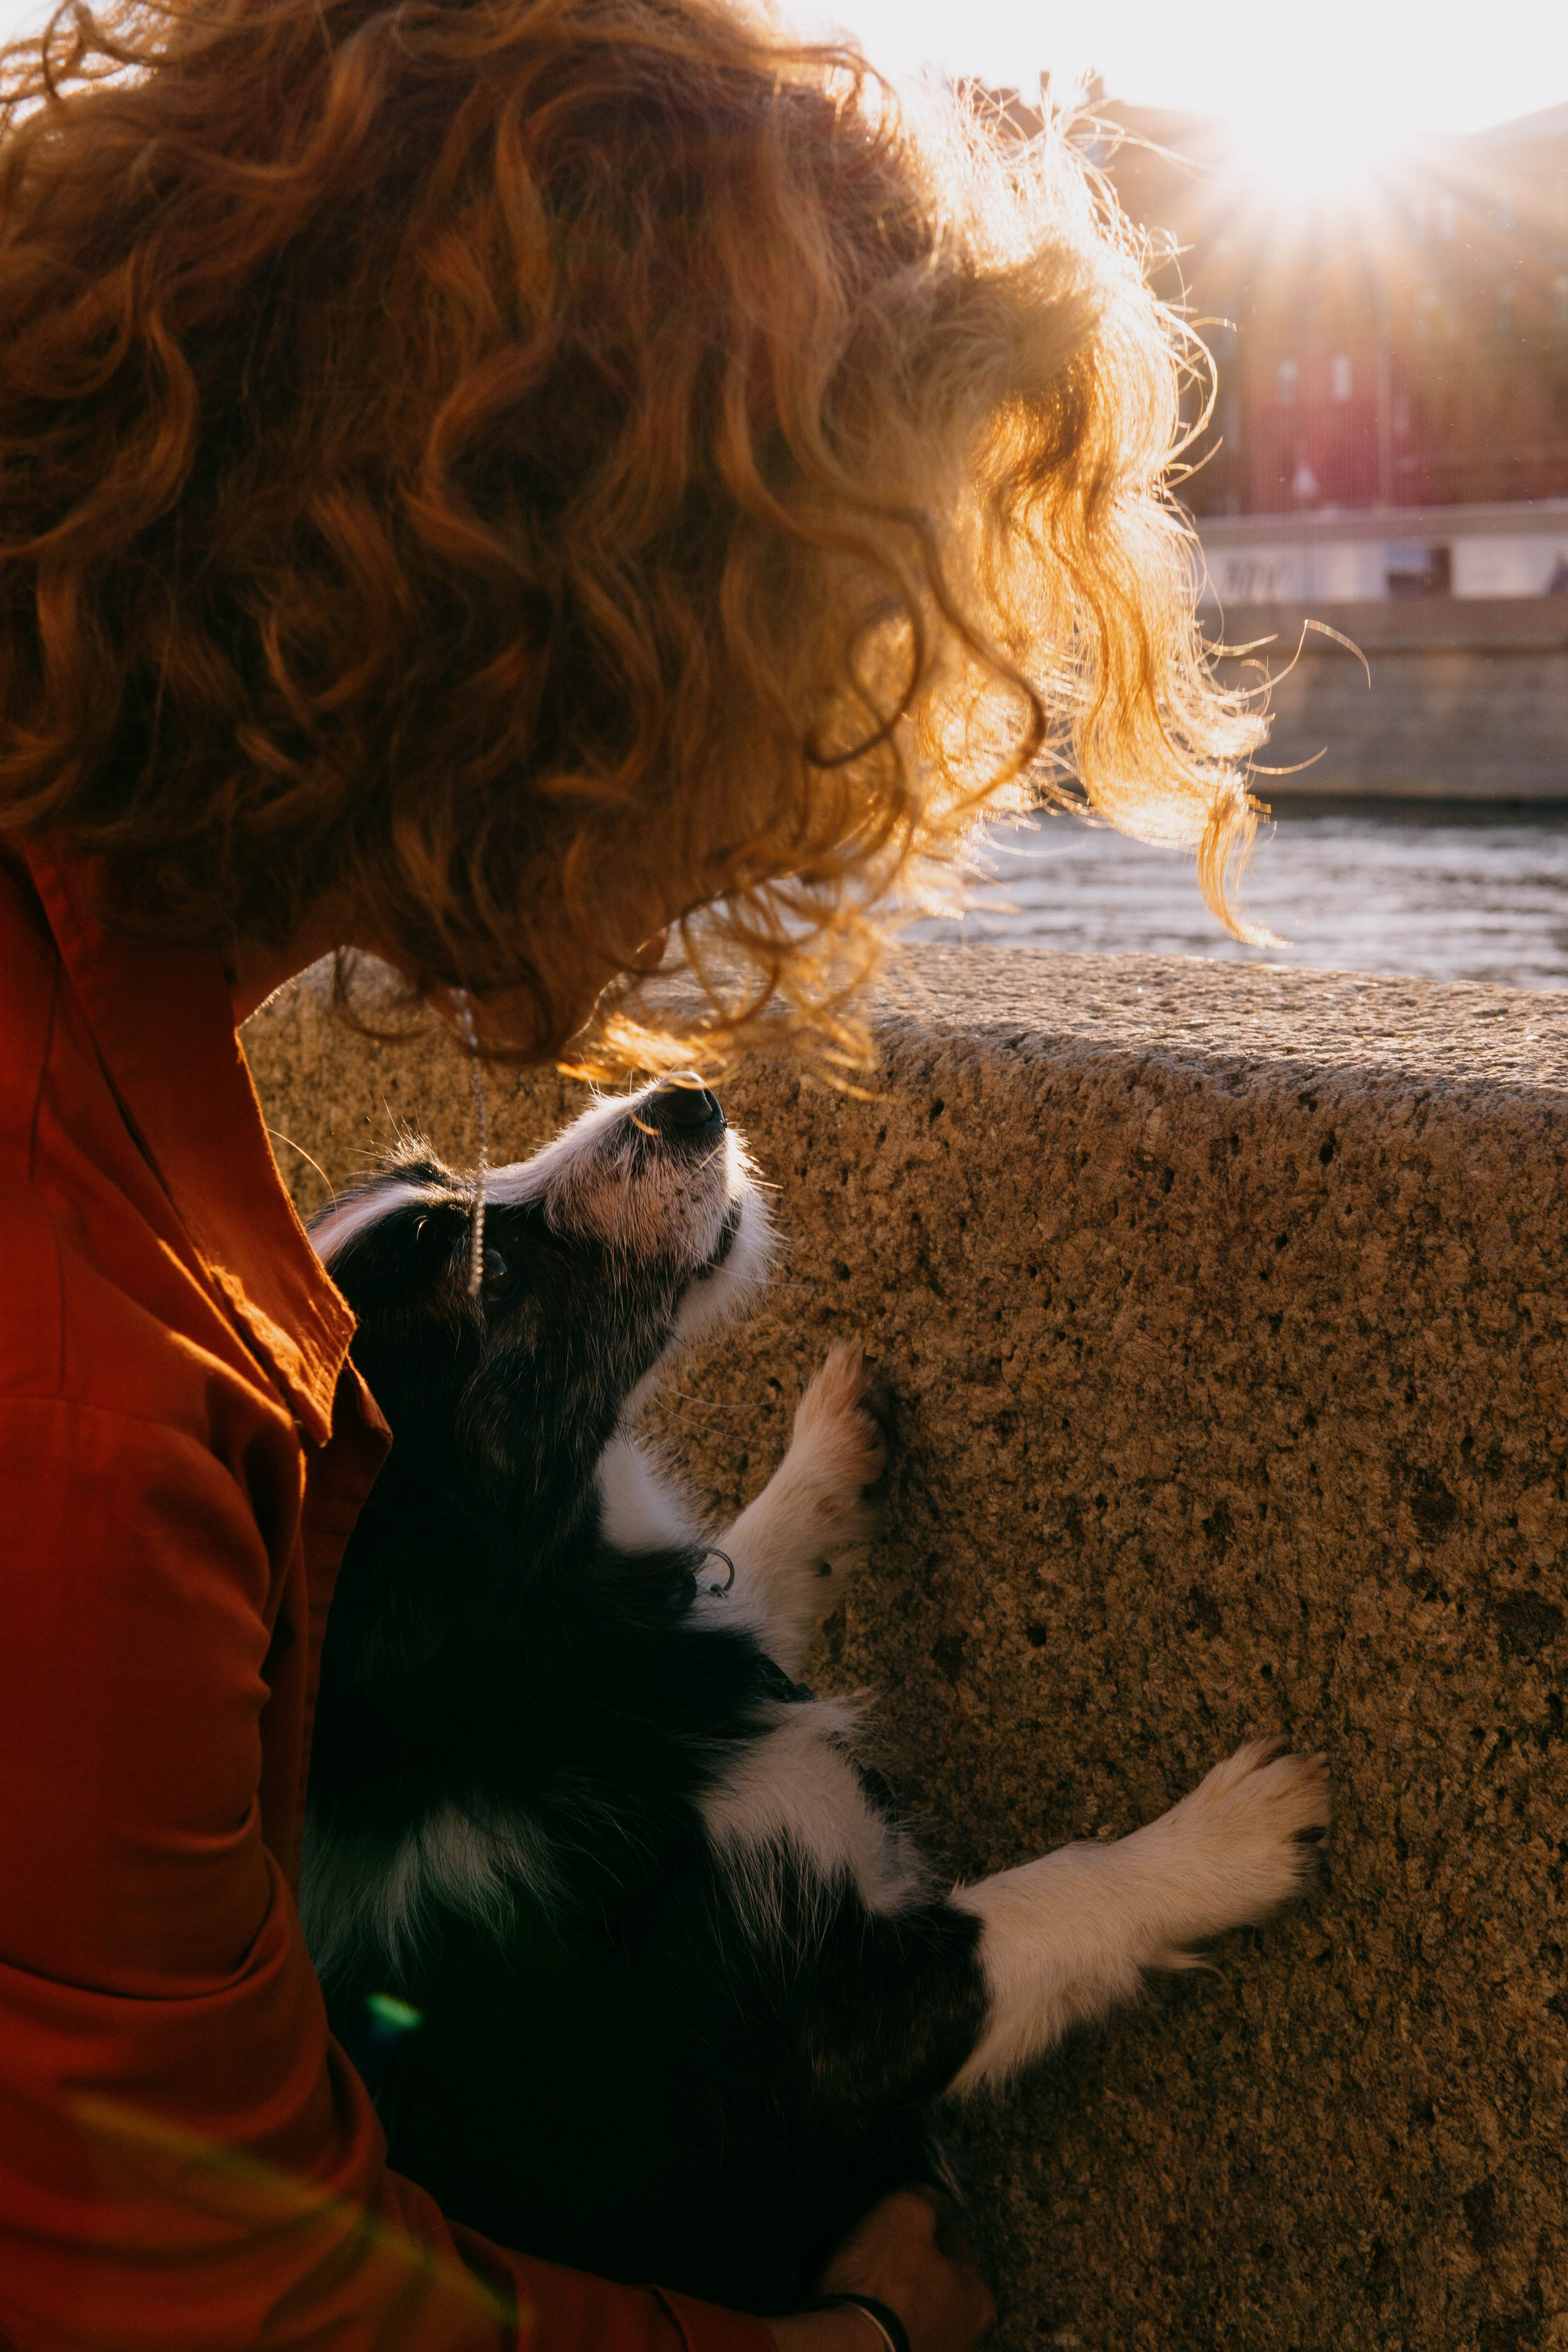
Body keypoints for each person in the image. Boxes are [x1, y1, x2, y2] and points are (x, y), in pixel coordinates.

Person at [0, 0, 1261, 2343]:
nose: (800, 794)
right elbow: (200, 2285)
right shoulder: (81, 1379)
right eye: (827, 652)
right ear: (570, 632)